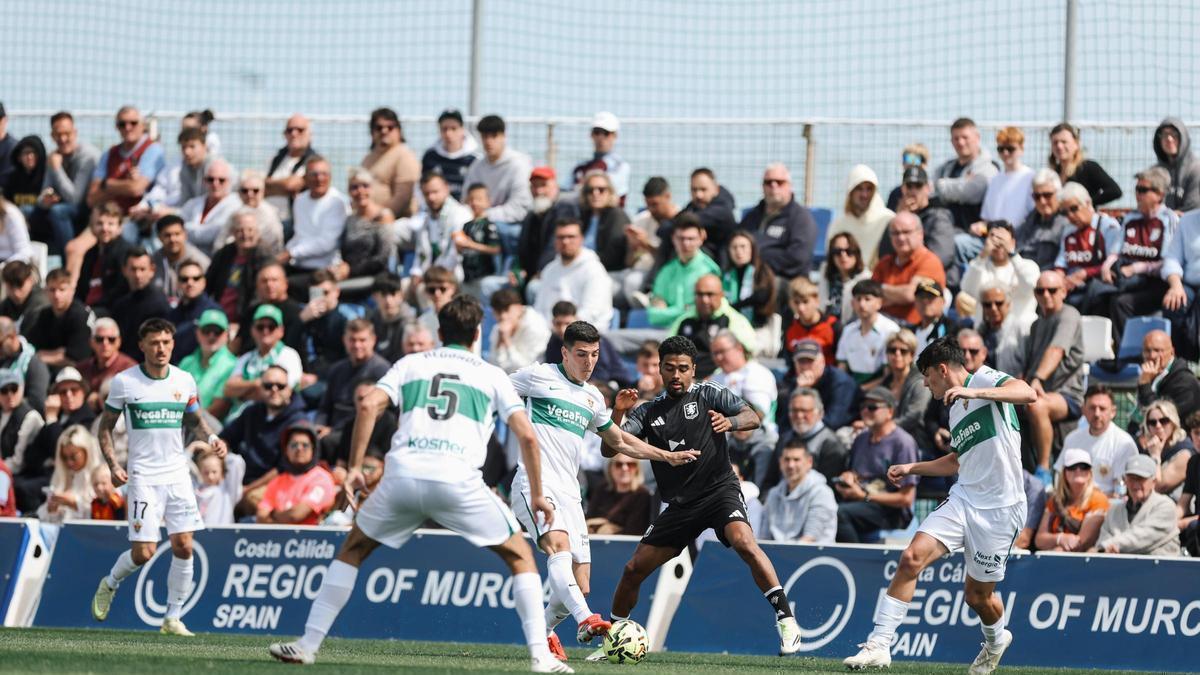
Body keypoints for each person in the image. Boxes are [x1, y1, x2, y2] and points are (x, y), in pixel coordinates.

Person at [268, 295, 572, 673]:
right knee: (520, 557)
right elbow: (526, 436)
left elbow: (368, 405)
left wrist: (356, 466)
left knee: (354, 549)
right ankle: (540, 658)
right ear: (478, 333)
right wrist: (538, 494)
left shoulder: (410, 363)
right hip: (458, 481)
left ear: (439, 332)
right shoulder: (491, 373)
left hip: (402, 476)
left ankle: (307, 644)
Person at [601, 336, 803, 657]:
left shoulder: (710, 393)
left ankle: (786, 619)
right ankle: (613, 637)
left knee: (744, 543)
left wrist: (730, 422)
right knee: (632, 570)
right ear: (660, 369)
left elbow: (753, 417)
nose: (676, 375)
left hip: (719, 491)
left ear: (693, 369)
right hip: (680, 505)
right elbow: (610, 449)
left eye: (683, 368)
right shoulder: (648, 411)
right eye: (670, 368)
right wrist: (617, 413)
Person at [843, 336, 1036, 672]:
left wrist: (974, 393)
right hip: (964, 498)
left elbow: (1028, 393)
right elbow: (956, 462)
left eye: (927, 375)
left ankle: (996, 640)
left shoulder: (983, 378)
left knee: (977, 597)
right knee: (910, 558)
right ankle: (879, 645)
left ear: (942, 369)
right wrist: (911, 468)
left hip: (1001, 509)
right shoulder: (955, 410)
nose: (925, 383)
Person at [509, 321, 699, 660]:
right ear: (565, 352)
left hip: (570, 492)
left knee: (580, 583)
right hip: (534, 483)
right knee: (558, 548)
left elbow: (619, 441)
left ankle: (544, 630)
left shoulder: (593, 397)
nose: (589, 362)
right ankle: (586, 619)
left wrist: (666, 456)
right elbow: (492, 386)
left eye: (595, 354)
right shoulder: (537, 376)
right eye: (581, 354)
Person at [90, 318, 226, 636]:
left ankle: (172, 618)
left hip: (177, 474)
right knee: (144, 552)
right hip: (143, 477)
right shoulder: (125, 382)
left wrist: (211, 438)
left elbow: (195, 420)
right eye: (154, 343)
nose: (160, 348)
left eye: (165, 342)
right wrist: (113, 465)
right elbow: (105, 427)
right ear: (142, 346)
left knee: (184, 545)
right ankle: (110, 582)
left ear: (173, 344)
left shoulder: (184, 380)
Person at [1021, 270, 1086, 483]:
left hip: (1067, 394)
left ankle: (1043, 470)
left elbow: (1056, 350)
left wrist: (1037, 379)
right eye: (1041, 291)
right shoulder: (1036, 325)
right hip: (1039, 390)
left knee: (1037, 406)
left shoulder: (1069, 315)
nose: (1046, 295)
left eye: (1052, 290)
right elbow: (1029, 364)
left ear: (1064, 292)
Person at [217, 365, 305, 516]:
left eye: (280, 386)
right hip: (240, 479)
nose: (274, 390)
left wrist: (247, 490)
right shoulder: (251, 411)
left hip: (273, 484)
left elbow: (282, 469)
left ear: (290, 389)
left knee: (251, 500)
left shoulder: (298, 423)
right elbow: (225, 438)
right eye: (268, 386)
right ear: (260, 389)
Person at [834, 387, 919, 543]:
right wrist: (849, 478)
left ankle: (856, 557)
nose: (865, 411)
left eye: (872, 407)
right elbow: (856, 472)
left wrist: (864, 496)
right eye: (863, 407)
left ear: (890, 412)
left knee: (840, 513)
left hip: (890, 511)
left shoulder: (903, 443)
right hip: (860, 502)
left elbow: (906, 499)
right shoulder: (861, 439)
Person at [1108, 167, 1179, 341]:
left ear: (1160, 194)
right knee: (1099, 295)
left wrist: (1137, 268)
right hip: (1127, 279)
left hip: (1156, 282)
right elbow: (1115, 251)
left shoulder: (1168, 219)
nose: (1138, 195)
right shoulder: (1131, 218)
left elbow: (1169, 259)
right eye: (1136, 189)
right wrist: (1106, 267)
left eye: (1143, 190)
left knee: (1121, 303)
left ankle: (1126, 352)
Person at [313, 319, 390, 460]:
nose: (357, 345)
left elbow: (381, 414)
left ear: (373, 340)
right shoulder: (337, 369)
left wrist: (334, 429)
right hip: (331, 428)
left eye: (362, 340)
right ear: (344, 340)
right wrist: (319, 425)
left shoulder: (382, 371)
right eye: (352, 340)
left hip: (361, 431)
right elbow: (325, 406)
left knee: (327, 441)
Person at [463, 115, 533, 262]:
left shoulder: (519, 164)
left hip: (508, 227)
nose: (489, 141)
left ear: (503, 136)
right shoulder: (476, 167)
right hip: (480, 224)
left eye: (494, 136)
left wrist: (486, 215)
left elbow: (519, 208)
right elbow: (466, 200)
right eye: (485, 136)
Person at [223, 304, 304, 420]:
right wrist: (256, 383)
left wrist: (242, 393)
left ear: (281, 331)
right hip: (237, 419)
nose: (265, 331)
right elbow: (228, 389)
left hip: (272, 419)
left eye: (271, 327)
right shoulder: (246, 358)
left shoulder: (289, 355)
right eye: (260, 327)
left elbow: (284, 392)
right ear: (252, 330)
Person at [1055, 385, 1139, 497]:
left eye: (1102, 409)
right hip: (1073, 502)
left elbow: (1121, 492)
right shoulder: (1072, 439)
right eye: (1092, 408)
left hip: (1108, 505)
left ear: (1113, 412)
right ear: (1083, 410)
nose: (1097, 414)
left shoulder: (1124, 443)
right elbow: (1060, 476)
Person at [36, 111, 100, 256]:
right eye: (58, 134)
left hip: (86, 209)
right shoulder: (53, 156)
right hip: (62, 207)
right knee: (27, 211)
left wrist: (57, 169)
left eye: (67, 133)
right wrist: (45, 200)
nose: (63, 139)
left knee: (58, 211)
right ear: (52, 136)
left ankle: (68, 261)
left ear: (75, 133)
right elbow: (43, 194)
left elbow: (75, 199)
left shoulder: (88, 156)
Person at [738, 163, 817, 279]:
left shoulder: (801, 218)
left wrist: (757, 257)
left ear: (789, 186)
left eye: (780, 182)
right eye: (768, 182)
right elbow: (734, 243)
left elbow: (798, 258)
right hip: (750, 278)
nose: (773, 186)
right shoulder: (752, 216)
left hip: (786, 281)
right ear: (763, 186)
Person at [1054, 181, 1124, 313]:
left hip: (1097, 289)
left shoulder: (1108, 226)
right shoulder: (1068, 230)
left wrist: (1084, 274)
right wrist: (1059, 281)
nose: (1070, 216)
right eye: (1064, 212)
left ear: (1087, 203)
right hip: (1071, 287)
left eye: (1074, 208)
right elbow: (1060, 265)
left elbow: (1114, 263)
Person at [669, 275, 758, 379]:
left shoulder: (735, 321)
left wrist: (717, 378)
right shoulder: (684, 321)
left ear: (721, 295)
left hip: (721, 381)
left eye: (710, 294)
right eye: (700, 294)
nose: (704, 300)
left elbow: (746, 357)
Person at [532, 218, 614, 330]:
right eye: (560, 237)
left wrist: (563, 327)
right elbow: (539, 309)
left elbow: (592, 312)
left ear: (581, 239)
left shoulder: (594, 270)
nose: (565, 241)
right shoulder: (549, 270)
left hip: (585, 334)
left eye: (571, 237)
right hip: (550, 332)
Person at [1092, 454, 1180, 556]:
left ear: (1153, 482)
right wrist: (1105, 548)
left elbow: (1144, 535)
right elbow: (1103, 539)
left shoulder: (1165, 506)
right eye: (1131, 478)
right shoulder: (1114, 510)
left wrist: (1109, 545)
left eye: (1141, 479)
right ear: (1125, 480)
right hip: (1119, 565)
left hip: (1160, 564)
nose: (1135, 484)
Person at [280, 157, 348, 287]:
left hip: (324, 269)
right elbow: (299, 235)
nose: (319, 179)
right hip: (297, 265)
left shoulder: (337, 202)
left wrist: (291, 253)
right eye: (314, 174)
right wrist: (284, 254)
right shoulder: (300, 200)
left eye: (324, 174)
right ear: (305, 177)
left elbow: (326, 243)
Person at [644, 213, 721, 328]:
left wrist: (667, 311)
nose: (685, 243)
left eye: (691, 239)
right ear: (673, 238)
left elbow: (706, 311)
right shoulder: (666, 271)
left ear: (702, 238)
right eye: (681, 238)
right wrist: (684, 310)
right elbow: (653, 315)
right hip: (664, 331)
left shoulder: (710, 271)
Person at [762, 388, 848, 491]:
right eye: (794, 410)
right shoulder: (784, 439)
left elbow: (828, 489)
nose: (799, 415)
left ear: (820, 413)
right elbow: (770, 480)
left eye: (805, 411)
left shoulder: (831, 445)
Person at [86, 106, 166, 216]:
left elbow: (136, 189)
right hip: (108, 218)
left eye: (133, 123)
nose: (128, 128)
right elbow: (92, 199)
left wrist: (107, 184)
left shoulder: (153, 149)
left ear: (143, 125)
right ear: (116, 127)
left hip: (138, 218)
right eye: (122, 124)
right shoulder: (109, 154)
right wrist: (126, 185)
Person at [959, 221, 1039, 328]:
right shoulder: (978, 265)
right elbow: (968, 290)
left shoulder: (1028, 265)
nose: (999, 243)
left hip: (1019, 331)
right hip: (986, 330)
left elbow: (1031, 288)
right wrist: (982, 256)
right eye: (993, 237)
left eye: (1003, 238)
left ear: (1013, 242)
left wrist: (1012, 254)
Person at [873, 212, 947, 326]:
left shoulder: (929, 261)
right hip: (880, 323)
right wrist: (897, 295)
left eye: (906, 232)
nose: (901, 238)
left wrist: (880, 288)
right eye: (895, 233)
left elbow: (910, 294)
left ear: (920, 234)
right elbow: (871, 296)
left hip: (913, 328)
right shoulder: (884, 263)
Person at [256, 423, 337, 525]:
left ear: (313, 449)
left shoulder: (322, 479)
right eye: (294, 445)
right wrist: (284, 516)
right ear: (286, 450)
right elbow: (261, 517)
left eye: (305, 445)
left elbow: (296, 515)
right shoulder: (277, 481)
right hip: (275, 536)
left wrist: (272, 514)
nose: (299, 448)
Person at [885, 165, 957, 278]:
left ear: (928, 188)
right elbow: (884, 253)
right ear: (903, 189)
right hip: (903, 277)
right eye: (909, 186)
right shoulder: (898, 217)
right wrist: (900, 218)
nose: (913, 192)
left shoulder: (938, 217)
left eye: (918, 186)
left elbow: (942, 256)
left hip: (933, 280)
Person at [931, 118, 999, 235]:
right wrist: (962, 183)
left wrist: (941, 185)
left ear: (977, 137)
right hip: (946, 230)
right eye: (956, 138)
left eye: (965, 137)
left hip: (974, 234)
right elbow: (930, 191)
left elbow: (971, 192)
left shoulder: (990, 167)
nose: (961, 143)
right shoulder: (944, 168)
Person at [543, 301, 633, 388]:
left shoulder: (591, 340)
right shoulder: (553, 341)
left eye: (567, 323)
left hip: (612, 384)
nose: (562, 329)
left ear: (576, 319)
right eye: (558, 324)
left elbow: (601, 374)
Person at [1034, 447, 1109, 553]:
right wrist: (1060, 538)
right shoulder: (1055, 500)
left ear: (1090, 472)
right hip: (1055, 555)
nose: (1078, 470)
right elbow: (1039, 540)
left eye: (1084, 467)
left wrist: (1056, 551)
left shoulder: (1098, 499)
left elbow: (1080, 543)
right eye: (1072, 467)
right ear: (1064, 472)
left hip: (1083, 559)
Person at [329, 169, 395, 287]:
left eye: (365, 186)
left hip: (374, 278)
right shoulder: (349, 220)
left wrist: (351, 270)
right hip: (348, 277)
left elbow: (383, 257)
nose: (360, 191)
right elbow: (340, 250)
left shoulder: (383, 216)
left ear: (372, 189)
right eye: (354, 187)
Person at [761, 442, 837, 543]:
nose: (791, 465)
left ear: (809, 462)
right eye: (787, 459)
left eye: (796, 460)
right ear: (780, 462)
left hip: (812, 551)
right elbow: (764, 536)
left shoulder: (822, 493)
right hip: (776, 551)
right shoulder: (773, 494)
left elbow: (811, 536)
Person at [710, 330, 778, 435]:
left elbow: (758, 415)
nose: (719, 357)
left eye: (722, 351)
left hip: (758, 436)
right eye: (715, 353)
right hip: (724, 436)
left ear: (739, 348)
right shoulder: (716, 376)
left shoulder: (757, 373)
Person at [518, 166, 580, 281]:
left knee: (534, 288)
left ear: (555, 186)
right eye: (535, 186)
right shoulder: (531, 215)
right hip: (530, 274)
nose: (539, 191)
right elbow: (522, 249)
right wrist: (517, 270)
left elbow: (554, 247)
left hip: (556, 274)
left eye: (543, 185)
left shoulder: (564, 207)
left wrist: (541, 271)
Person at [206, 210, 269, 320]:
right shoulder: (224, 254)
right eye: (240, 230)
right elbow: (207, 285)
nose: (245, 235)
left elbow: (258, 298)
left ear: (258, 233)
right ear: (233, 233)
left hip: (244, 319)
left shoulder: (265, 259)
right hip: (216, 316)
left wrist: (242, 324)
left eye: (250, 230)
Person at [410, 171, 471, 283]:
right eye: (426, 194)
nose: (431, 197)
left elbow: (454, 255)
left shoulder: (461, 214)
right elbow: (420, 253)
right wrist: (416, 274)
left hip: (451, 277)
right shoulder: (425, 219)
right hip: (428, 276)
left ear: (447, 189)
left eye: (435, 192)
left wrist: (433, 277)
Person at [785, 339, 858, 432]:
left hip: (843, 429)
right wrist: (800, 391)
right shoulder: (796, 383)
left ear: (822, 362)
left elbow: (833, 422)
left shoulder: (840, 382)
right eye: (801, 361)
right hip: (808, 428)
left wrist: (805, 392)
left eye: (810, 361)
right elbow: (785, 421)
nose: (805, 367)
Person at [828, 164, 894, 267]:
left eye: (869, 189)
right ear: (850, 191)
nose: (864, 195)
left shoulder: (888, 220)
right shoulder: (839, 225)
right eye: (859, 188)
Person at [111, 248, 171, 359]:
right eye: (133, 269)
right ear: (124, 270)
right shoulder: (120, 305)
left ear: (152, 270)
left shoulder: (159, 305)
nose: (137, 275)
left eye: (142, 269)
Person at [836, 280, 900, 385]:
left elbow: (889, 373)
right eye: (858, 299)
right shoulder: (848, 330)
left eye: (867, 299)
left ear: (879, 303)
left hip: (881, 386)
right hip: (851, 384)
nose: (862, 304)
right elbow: (842, 367)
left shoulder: (890, 330)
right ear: (852, 303)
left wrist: (863, 389)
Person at [36, 424, 104, 522]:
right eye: (65, 457)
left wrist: (74, 503)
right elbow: (45, 516)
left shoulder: (101, 476)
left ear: (86, 451)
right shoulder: (61, 474)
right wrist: (51, 509)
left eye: (73, 457)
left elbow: (103, 512)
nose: (69, 462)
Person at [360, 108, 419, 218]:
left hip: (395, 220)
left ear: (399, 130)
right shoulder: (367, 159)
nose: (384, 131)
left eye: (390, 127)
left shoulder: (404, 156)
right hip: (367, 218)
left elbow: (403, 197)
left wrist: (381, 216)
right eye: (379, 127)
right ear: (372, 132)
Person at [177, 309, 238, 416]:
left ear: (226, 334)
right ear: (197, 333)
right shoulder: (186, 362)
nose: (211, 336)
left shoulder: (233, 365)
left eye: (217, 331)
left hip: (209, 424)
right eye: (206, 330)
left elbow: (219, 408)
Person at [74, 201, 132, 311]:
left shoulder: (126, 252)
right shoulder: (90, 253)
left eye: (110, 224)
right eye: (99, 223)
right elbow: (81, 289)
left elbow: (121, 290)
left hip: (113, 310)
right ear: (91, 226)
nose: (105, 228)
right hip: (87, 308)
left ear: (120, 227)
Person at [1048, 122, 1122, 206]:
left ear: (1076, 144)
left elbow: (1115, 191)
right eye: (1055, 142)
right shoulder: (1052, 173)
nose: (1059, 146)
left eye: (1064, 142)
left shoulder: (1088, 167)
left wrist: (1087, 203)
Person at [881, 329, 932, 446]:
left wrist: (883, 427)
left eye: (903, 351)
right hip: (887, 438)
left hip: (916, 442)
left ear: (912, 355)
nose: (897, 354)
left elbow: (914, 416)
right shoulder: (885, 383)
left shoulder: (921, 382)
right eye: (892, 350)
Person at [978, 127, 1034, 230]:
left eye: (1010, 149)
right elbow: (986, 218)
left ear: (1021, 149)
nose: (1005, 153)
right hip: (994, 234)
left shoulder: (1030, 177)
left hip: (1019, 235)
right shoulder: (995, 180)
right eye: (1001, 149)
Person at [264, 114, 318, 222]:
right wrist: (283, 186)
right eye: (290, 130)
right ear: (284, 134)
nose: (294, 133)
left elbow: (291, 185)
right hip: (269, 220)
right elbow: (260, 186)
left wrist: (269, 185)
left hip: (295, 221)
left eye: (300, 130)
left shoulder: (314, 161)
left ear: (310, 134)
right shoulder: (276, 159)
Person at [76, 318, 137, 413]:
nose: (105, 343)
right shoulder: (80, 369)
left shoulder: (130, 368)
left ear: (119, 342)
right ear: (91, 342)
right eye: (99, 339)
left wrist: (101, 398)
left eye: (111, 339)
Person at [1137, 329, 1200, 421]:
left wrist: (1145, 385)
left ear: (1172, 352)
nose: (1152, 356)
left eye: (1157, 350)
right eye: (1147, 350)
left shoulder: (1185, 382)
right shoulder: (1150, 375)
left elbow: (1162, 420)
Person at [1162, 210, 1200, 359]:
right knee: (1174, 304)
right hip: (1188, 283)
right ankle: (1179, 360)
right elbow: (1172, 258)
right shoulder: (1186, 221)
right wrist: (1175, 285)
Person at [166, 259, 221, 364]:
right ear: (177, 283)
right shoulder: (172, 314)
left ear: (204, 282)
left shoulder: (214, 312)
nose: (190, 283)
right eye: (184, 279)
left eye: (196, 278)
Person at [1016, 169, 1071, 271]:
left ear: (1059, 194)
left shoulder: (1068, 222)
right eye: (1037, 196)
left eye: (1047, 195)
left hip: (1047, 276)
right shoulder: (1027, 222)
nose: (1042, 201)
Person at [721, 230, 777, 330]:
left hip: (758, 327)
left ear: (752, 249)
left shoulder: (761, 270)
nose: (738, 251)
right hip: (730, 327)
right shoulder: (726, 275)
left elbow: (761, 297)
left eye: (743, 246)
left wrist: (733, 307)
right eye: (734, 247)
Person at [680, 167, 738, 264]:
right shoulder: (693, 206)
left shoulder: (722, 210)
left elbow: (684, 221)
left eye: (703, 189)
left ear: (716, 189)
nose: (698, 195)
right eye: (694, 190)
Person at [1138, 399, 1194, 498]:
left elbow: (1158, 487)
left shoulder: (1185, 452)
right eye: (1152, 422)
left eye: (1164, 421)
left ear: (1173, 422)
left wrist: (1155, 456)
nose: (1158, 426)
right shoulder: (1150, 448)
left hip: (1173, 505)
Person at [221, 169, 284, 256]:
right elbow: (221, 241)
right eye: (245, 190)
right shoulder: (236, 212)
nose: (250, 194)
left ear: (263, 192)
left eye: (255, 190)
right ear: (239, 193)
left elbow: (252, 243)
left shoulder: (269, 214)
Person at [421, 109, 480, 201]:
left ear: (462, 130)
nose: (448, 134)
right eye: (444, 129)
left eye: (453, 128)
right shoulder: (430, 157)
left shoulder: (474, 160)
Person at [571, 112, 631, 201]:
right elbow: (565, 189)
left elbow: (608, 192)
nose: (601, 137)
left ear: (615, 136)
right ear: (591, 135)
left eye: (606, 133)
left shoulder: (620, 166)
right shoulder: (580, 167)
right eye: (597, 132)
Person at [586, 456, 652, 536]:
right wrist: (604, 525)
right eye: (618, 464)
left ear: (637, 469)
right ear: (610, 468)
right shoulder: (602, 490)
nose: (624, 468)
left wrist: (605, 527)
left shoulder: (642, 495)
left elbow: (634, 531)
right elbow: (587, 521)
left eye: (630, 464)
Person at [578, 170, 630, 273]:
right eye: (590, 190)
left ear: (610, 192)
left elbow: (613, 255)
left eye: (601, 190)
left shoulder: (616, 215)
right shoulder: (583, 216)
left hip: (607, 272)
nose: (595, 193)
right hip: (581, 269)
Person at [488, 288, 550, 374]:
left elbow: (526, 369)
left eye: (506, 310)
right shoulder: (499, 328)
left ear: (519, 307)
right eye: (498, 312)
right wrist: (500, 342)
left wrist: (507, 341)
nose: (503, 316)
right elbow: (492, 365)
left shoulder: (536, 327)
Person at [151, 215, 210, 305]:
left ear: (185, 235)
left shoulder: (201, 262)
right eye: (167, 235)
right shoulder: (153, 261)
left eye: (177, 234)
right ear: (159, 237)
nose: (173, 239)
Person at [457, 183, 502, 296]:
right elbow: (461, 250)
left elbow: (496, 249)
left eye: (479, 199)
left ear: (488, 202)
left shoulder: (489, 225)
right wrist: (459, 246)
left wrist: (472, 245)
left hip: (484, 276)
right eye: (471, 199)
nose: (475, 203)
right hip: (467, 276)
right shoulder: (466, 226)